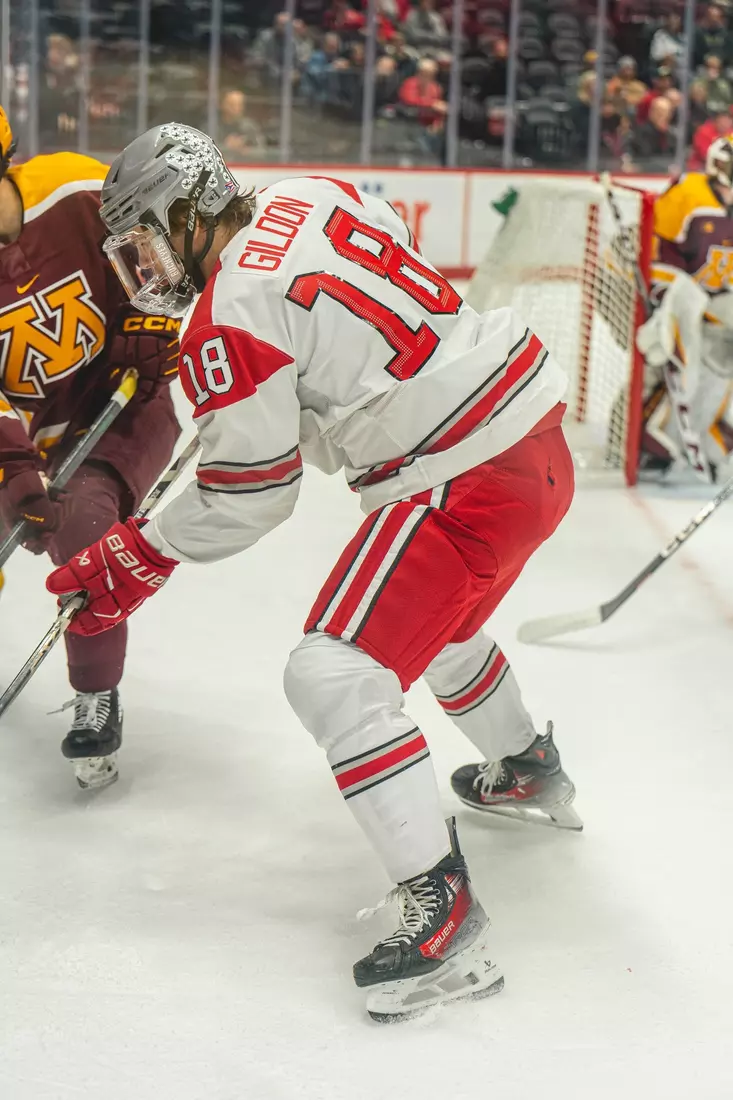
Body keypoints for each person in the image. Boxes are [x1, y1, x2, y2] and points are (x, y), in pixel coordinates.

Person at [47, 123, 581, 1021]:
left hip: (462, 476)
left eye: (144, 244)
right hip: (531, 436)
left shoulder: (227, 314)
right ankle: (526, 766)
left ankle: (442, 912)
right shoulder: (314, 189)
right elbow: (358, 324)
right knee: (433, 630)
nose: (147, 274)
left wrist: (142, 551)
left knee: (332, 672)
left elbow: (251, 493)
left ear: (187, 213)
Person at [0, 107, 180, 788]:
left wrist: (147, 317)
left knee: (82, 528)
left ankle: (96, 692)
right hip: (23, 439)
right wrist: (15, 469)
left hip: (121, 408)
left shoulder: (79, 189)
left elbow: (164, 264)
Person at [635, 137, 733, 475]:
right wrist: (661, 290)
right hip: (664, 290)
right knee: (661, 361)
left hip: (714, 298)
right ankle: (644, 434)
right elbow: (652, 242)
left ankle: (714, 428)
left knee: (717, 357)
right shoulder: (689, 194)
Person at [218, 90, 265, 159]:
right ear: (221, 105)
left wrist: (245, 150)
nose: (237, 108)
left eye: (240, 105)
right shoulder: (212, 126)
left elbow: (263, 152)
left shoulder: (250, 127)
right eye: (232, 104)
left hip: (244, 168)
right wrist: (226, 147)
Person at [693, 3, 733, 69]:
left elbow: (729, 52)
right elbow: (696, 52)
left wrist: (720, 59)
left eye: (719, 16)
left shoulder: (726, 34)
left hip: (722, 67)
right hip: (702, 67)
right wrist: (708, 59)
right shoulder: (698, 32)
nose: (715, 20)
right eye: (712, 17)